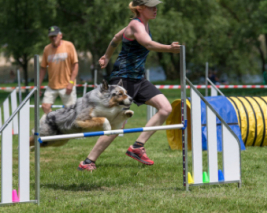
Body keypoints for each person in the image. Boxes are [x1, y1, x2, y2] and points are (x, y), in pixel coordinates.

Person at [78, 0, 181, 171]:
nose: (155, 9)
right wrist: (169, 49)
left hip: (138, 79)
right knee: (118, 124)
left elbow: (116, 38)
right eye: (151, 7)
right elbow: (148, 44)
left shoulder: (140, 25)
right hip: (122, 79)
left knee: (165, 108)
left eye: (156, 6)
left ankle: (137, 147)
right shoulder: (136, 25)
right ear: (140, 8)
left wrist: (106, 56)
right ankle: (88, 161)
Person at [40, 26, 79, 114]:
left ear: (60, 35)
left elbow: (75, 65)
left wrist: (71, 83)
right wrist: (38, 85)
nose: (53, 38)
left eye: (55, 36)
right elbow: (43, 68)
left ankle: (69, 126)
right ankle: (55, 123)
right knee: (45, 106)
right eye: (51, 36)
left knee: (71, 111)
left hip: (67, 85)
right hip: (52, 86)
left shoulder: (69, 45)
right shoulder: (46, 49)